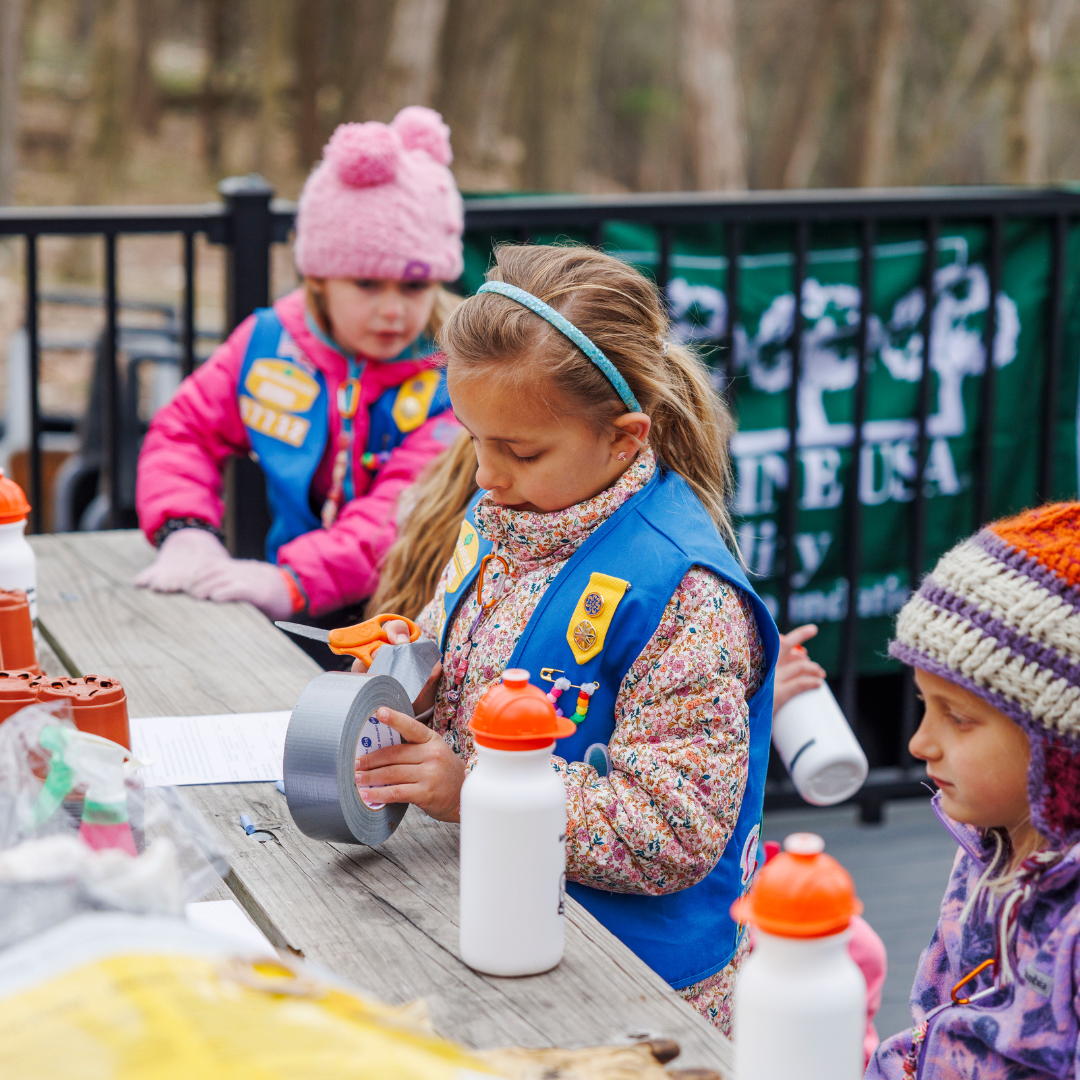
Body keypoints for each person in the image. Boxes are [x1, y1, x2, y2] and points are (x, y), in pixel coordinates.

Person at [350, 242, 780, 1035]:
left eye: (519, 451)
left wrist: (472, 791)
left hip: (632, 991)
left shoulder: (683, 592)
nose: (485, 475)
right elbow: (476, 665)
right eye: (472, 439)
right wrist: (406, 668)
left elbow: (676, 825)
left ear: (623, 439)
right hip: (499, 928)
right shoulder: (508, 519)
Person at [134, 106, 463, 629]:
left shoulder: (455, 375)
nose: (394, 309)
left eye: (415, 286)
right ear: (318, 278)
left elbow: (400, 511)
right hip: (299, 601)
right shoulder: (269, 343)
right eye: (367, 283)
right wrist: (186, 530)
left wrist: (291, 580)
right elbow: (185, 431)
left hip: (417, 616)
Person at [866, 501, 1080, 1077]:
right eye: (923, 705)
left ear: (1061, 747)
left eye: (956, 717)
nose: (919, 743)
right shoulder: (992, 842)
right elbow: (935, 1018)